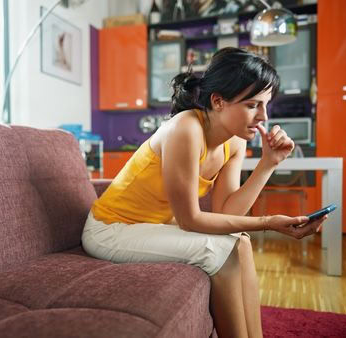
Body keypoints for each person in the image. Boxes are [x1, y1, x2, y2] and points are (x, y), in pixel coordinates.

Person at [81, 47, 327, 338]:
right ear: (218, 102)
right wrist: (268, 222)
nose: (263, 117)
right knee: (220, 250)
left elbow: (227, 214)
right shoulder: (186, 129)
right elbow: (190, 220)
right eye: (252, 105)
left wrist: (268, 164)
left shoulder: (235, 142)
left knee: (240, 241)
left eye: (265, 105)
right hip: (110, 229)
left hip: (151, 224)